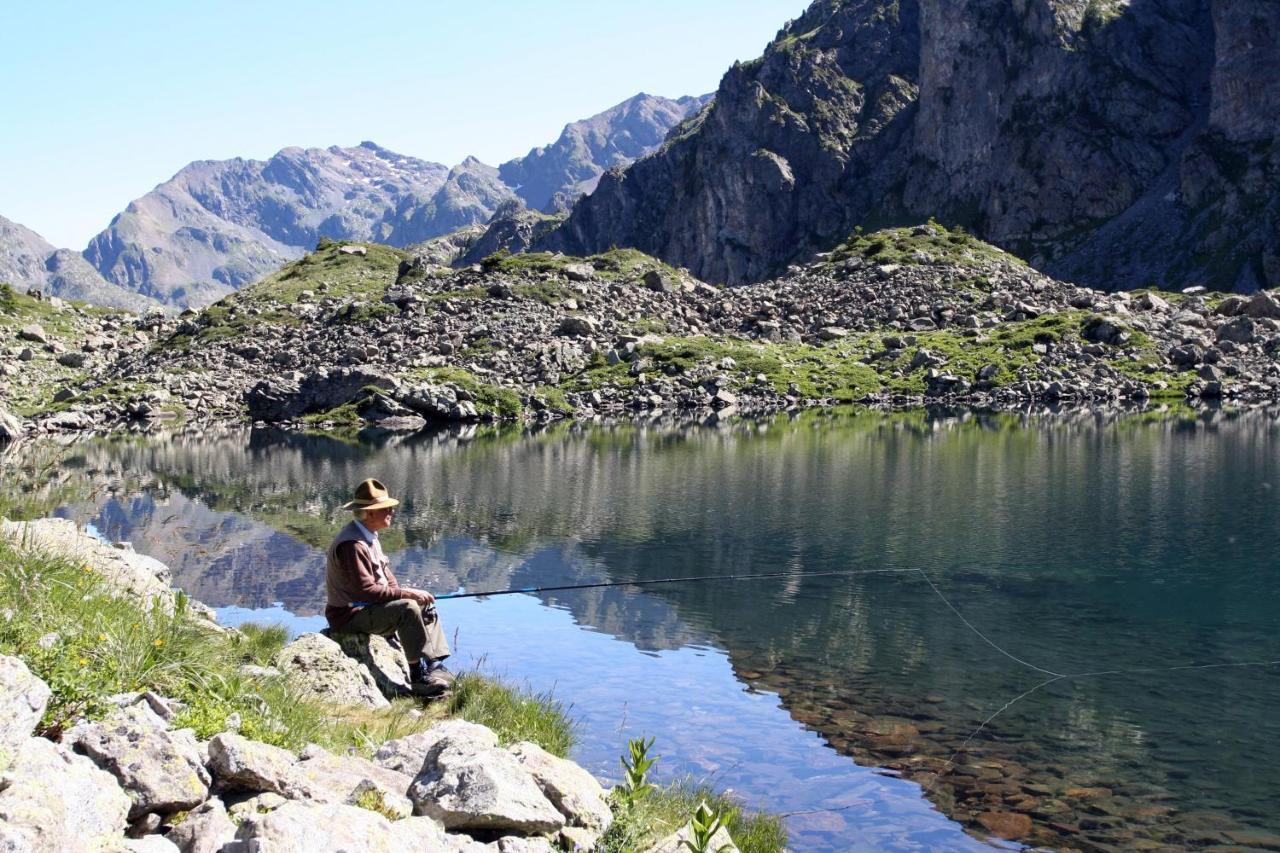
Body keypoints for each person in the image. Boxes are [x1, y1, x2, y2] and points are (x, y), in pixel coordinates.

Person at [324, 478, 453, 696]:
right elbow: (364, 591)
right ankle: (417, 676)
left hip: (366, 608)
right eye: (386, 508)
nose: (392, 511)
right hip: (349, 615)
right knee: (407, 608)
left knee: (423, 605)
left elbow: (387, 579)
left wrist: (411, 594)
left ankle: (434, 664)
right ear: (369, 513)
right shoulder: (352, 545)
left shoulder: (369, 537)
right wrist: (407, 595)